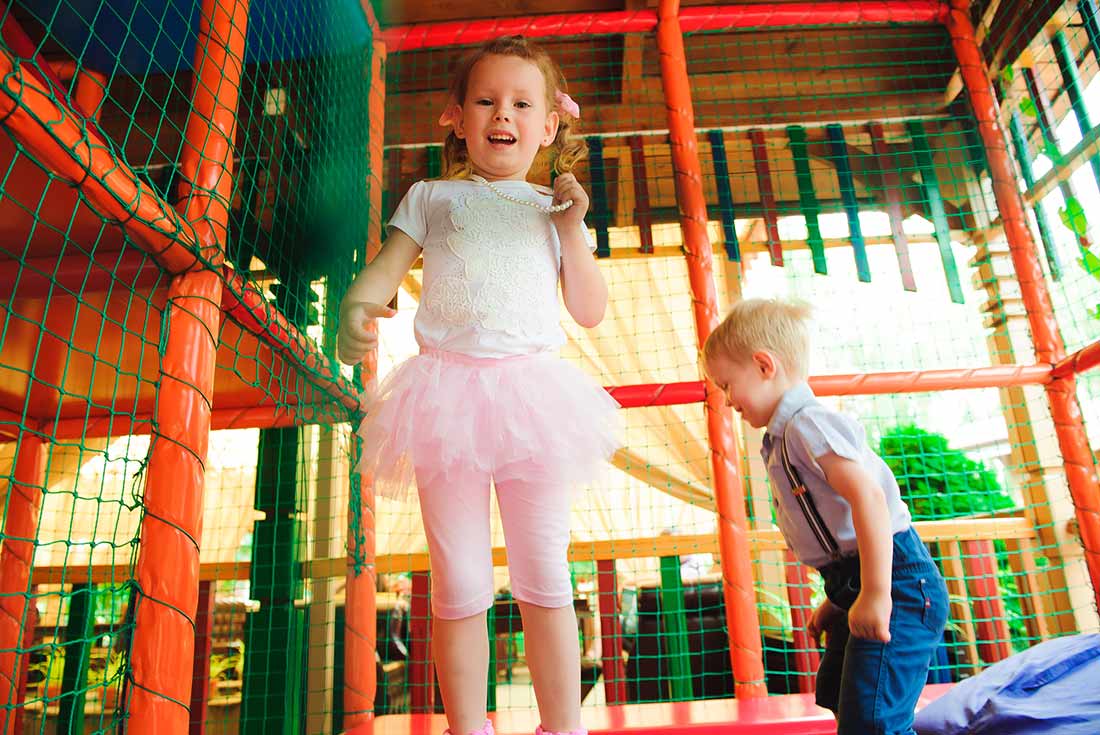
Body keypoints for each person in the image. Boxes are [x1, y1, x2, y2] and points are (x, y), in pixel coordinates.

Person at [337, 35, 620, 735]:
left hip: (534, 401)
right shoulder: (431, 197)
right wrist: (357, 306)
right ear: (458, 118)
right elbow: (385, 268)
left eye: (522, 104)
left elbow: (589, 310)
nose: (504, 114)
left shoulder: (552, 208)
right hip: (445, 400)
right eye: (487, 100)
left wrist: (574, 228)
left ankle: (564, 726)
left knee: (544, 572)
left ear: (548, 126)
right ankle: (468, 726)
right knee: (460, 579)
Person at [702, 298, 948, 735]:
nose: (726, 399)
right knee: (838, 692)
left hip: (899, 583)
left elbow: (869, 499)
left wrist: (876, 594)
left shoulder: (808, 423)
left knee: (873, 720)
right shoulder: (782, 437)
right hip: (858, 580)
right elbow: (838, 534)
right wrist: (838, 600)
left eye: (727, 385)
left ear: (764, 365)